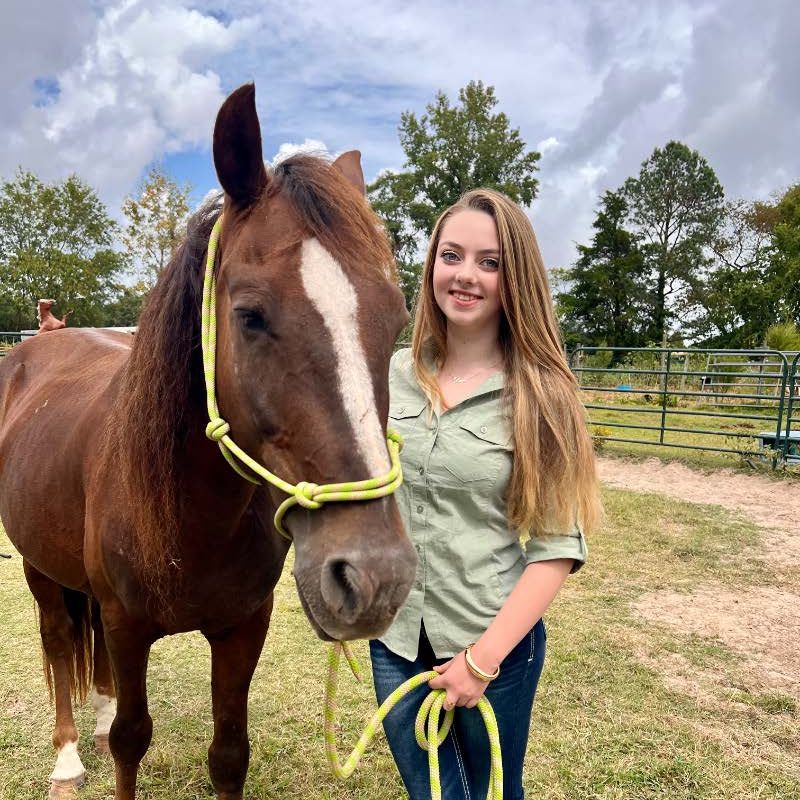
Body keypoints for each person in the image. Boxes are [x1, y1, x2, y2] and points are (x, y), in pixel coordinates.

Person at [369, 188, 601, 800]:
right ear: (432, 266)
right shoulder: (390, 375)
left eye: (489, 262)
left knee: (494, 792)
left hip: (490, 642)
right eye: (452, 255)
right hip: (395, 636)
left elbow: (556, 548)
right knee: (432, 793)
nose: (465, 275)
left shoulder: (541, 395)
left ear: (514, 278)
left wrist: (481, 661)